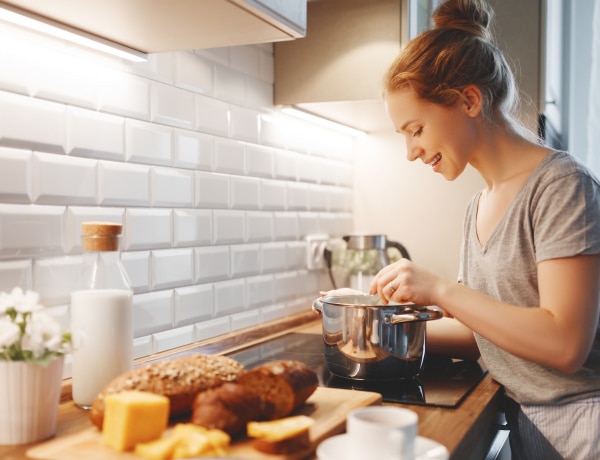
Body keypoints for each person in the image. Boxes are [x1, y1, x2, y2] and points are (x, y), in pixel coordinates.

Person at [359, 0, 600, 458]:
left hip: (583, 423)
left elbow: (566, 342)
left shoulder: (561, 186)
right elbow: (484, 334)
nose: (412, 151)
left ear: (469, 100)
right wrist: (375, 333)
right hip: (533, 421)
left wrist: (440, 290)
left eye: (416, 128)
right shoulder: (478, 206)